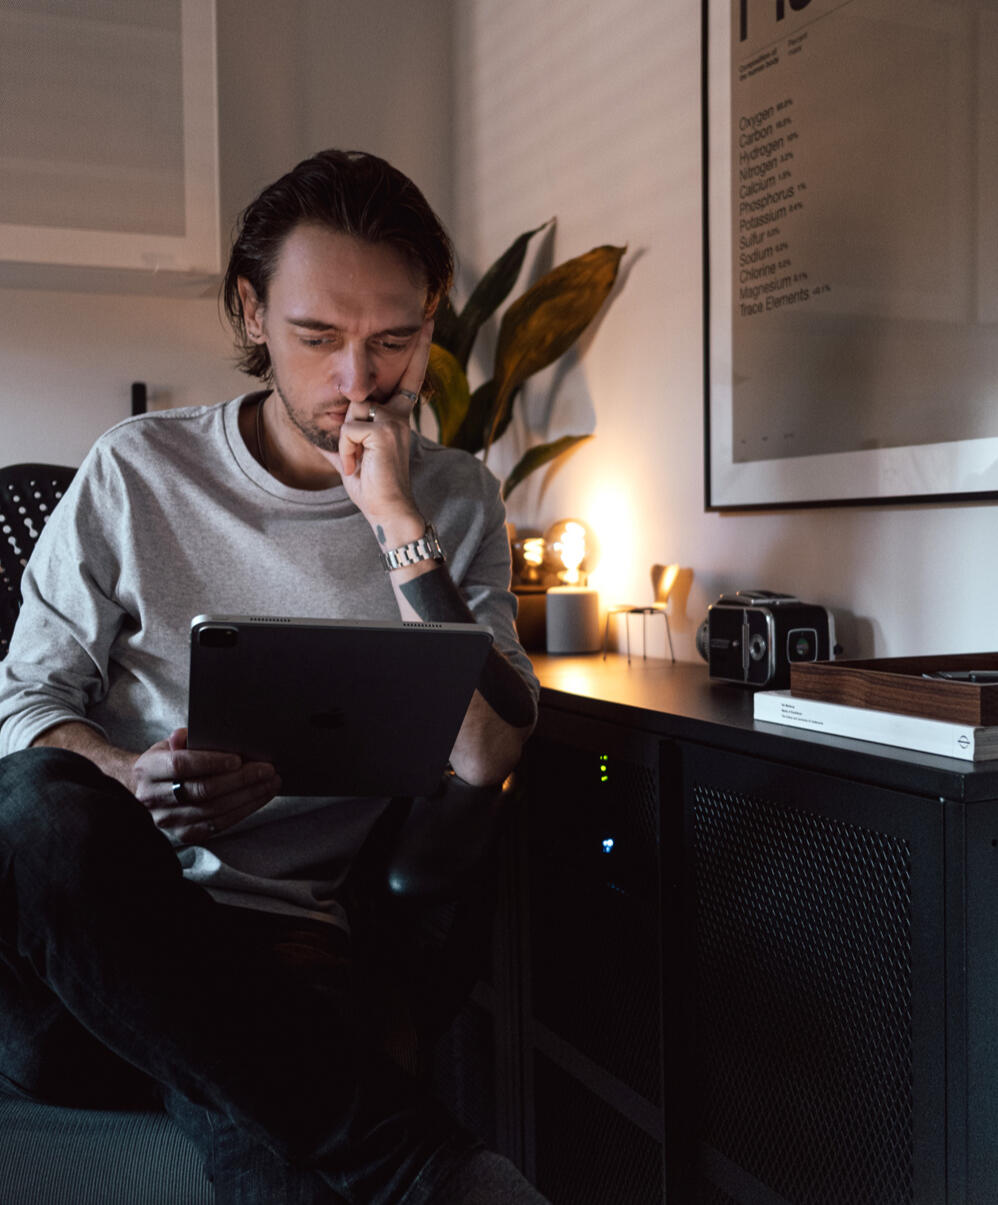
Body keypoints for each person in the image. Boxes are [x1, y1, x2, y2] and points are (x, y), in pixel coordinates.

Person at [0, 149, 546, 1203]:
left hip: (280, 955)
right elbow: (23, 701)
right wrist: (125, 777)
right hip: (82, 963)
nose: (359, 381)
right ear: (253, 313)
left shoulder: (456, 499)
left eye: (394, 340)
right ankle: (421, 1164)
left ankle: (386, 1152)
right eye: (318, 337)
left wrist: (396, 522)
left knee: (265, 1098)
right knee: (36, 807)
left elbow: (487, 752)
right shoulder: (138, 468)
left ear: (431, 323)